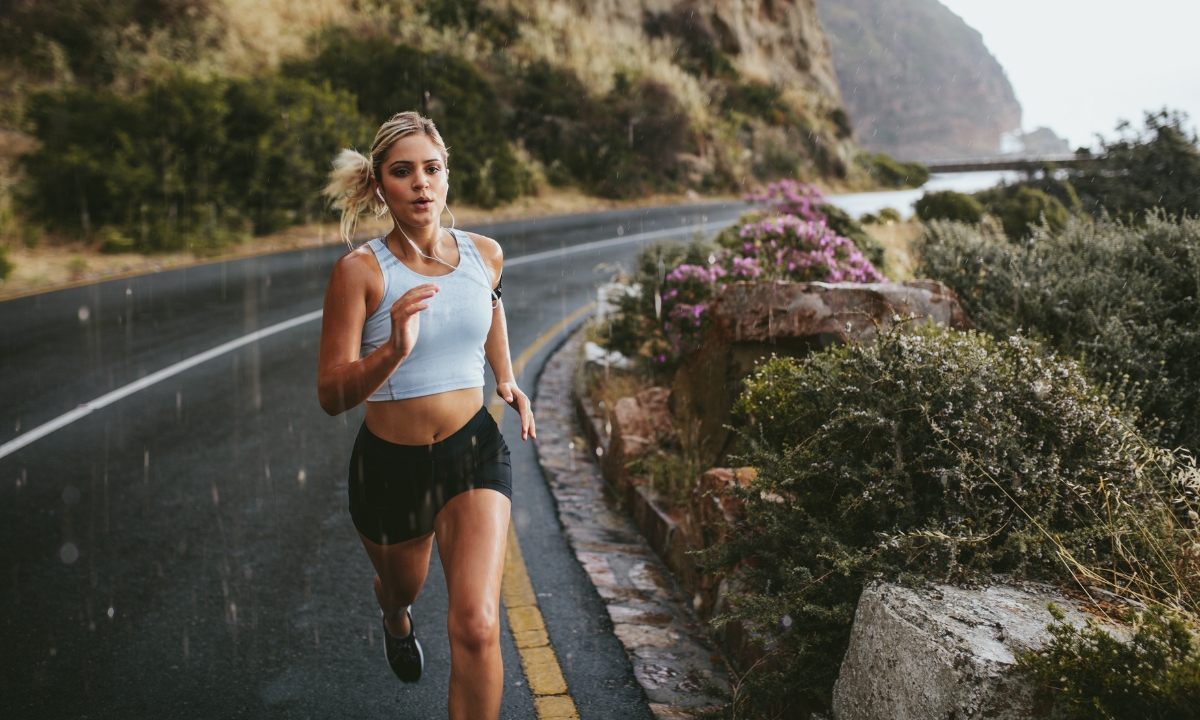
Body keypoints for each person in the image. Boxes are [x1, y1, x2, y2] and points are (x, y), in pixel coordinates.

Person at [316, 111, 534, 720]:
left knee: (477, 625)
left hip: (473, 452)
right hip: (390, 469)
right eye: (402, 171)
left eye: (431, 169)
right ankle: (394, 614)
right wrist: (392, 351)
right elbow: (331, 394)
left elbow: (489, 308)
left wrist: (508, 377)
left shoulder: (484, 254)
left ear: (446, 177)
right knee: (402, 585)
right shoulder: (360, 272)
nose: (420, 183)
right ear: (380, 185)